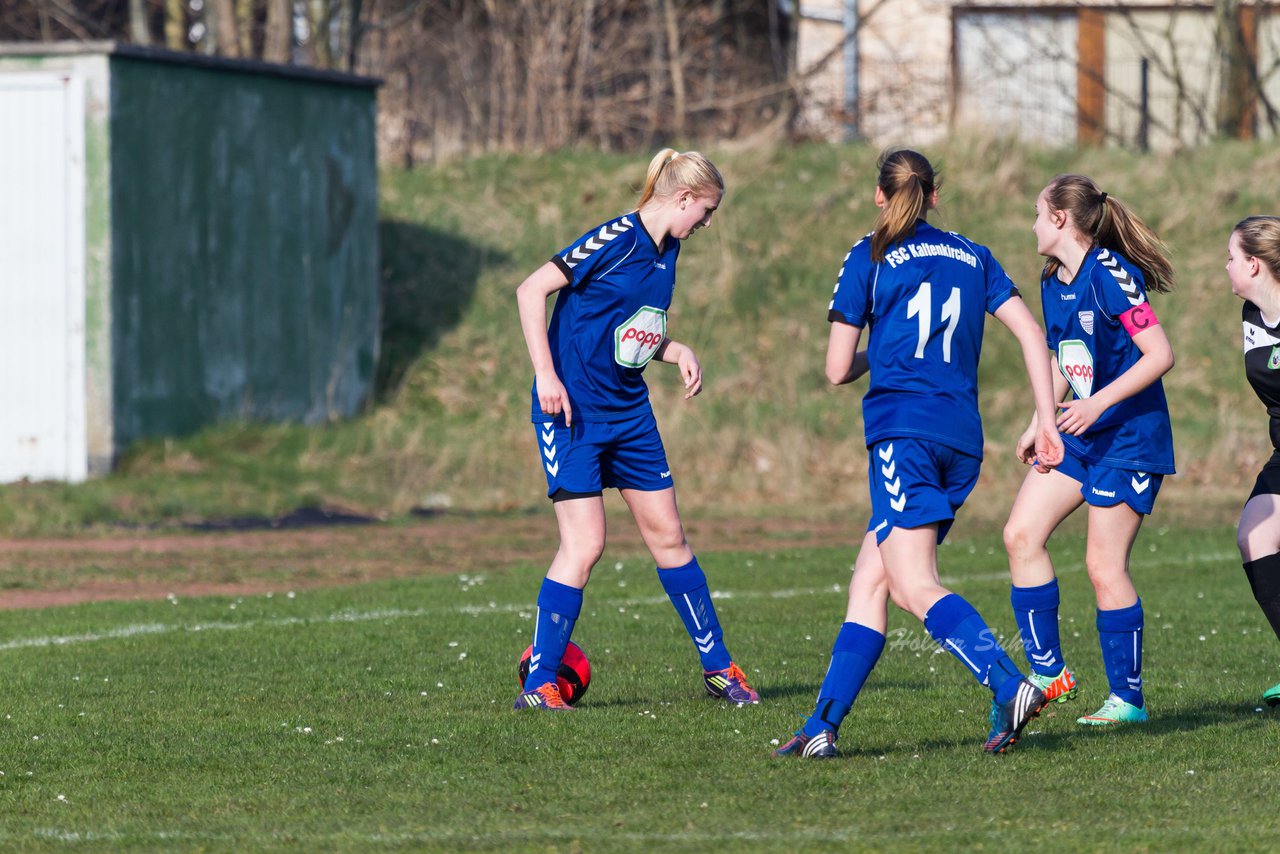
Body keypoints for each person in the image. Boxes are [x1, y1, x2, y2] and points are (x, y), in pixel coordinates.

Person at [773, 148, 1064, 759]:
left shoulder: (869, 256)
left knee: (912, 583)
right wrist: (1045, 422)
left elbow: (834, 369)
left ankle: (1010, 685)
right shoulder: (973, 253)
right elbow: (1033, 335)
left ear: (880, 196)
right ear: (934, 196)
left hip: (903, 434)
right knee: (869, 583)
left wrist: (882, 350)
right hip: (962, 442)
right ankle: (822, 727)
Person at [512, 148, 758, 711]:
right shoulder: (615, 237)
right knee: (586, 544)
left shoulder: (667, 252)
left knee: (669, 536)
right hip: (572, 413)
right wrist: (546, 375)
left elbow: (626, 332)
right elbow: (531, 291)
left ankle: (719, 669)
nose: (708, 223)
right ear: (684, 198)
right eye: (707, 211)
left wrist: (677, 350)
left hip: (630, 414)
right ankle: (540, 683)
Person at [1002, 174, 1176, 726]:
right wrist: (1041, 421)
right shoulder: (1054, 279)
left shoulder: (1112, 276)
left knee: (1103, 565)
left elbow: (1159, 355)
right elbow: (1063, 357)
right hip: (1080, 433)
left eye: (1037, 213)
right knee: (1020, 535)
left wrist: (1096, 404)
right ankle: (1050, 675)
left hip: (1128, 438)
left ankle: (1128, 701)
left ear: (1060, 220)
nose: (1031, 223)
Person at [1226, 215, 1280, 708]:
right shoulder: (1251, 314)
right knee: (1254, 534)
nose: (1227, 266)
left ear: (1255, 265)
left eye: (1232, 257)